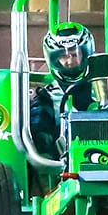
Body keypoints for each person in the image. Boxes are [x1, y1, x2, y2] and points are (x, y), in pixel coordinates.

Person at [30, 22, 95, 156]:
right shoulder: (48, 96)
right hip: (63, 161)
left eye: (74, 55)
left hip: (107, 155)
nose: (70, 61)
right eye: (64, 56)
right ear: (54, 58)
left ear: (85, 53)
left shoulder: (103, 87)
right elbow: (40, 135)